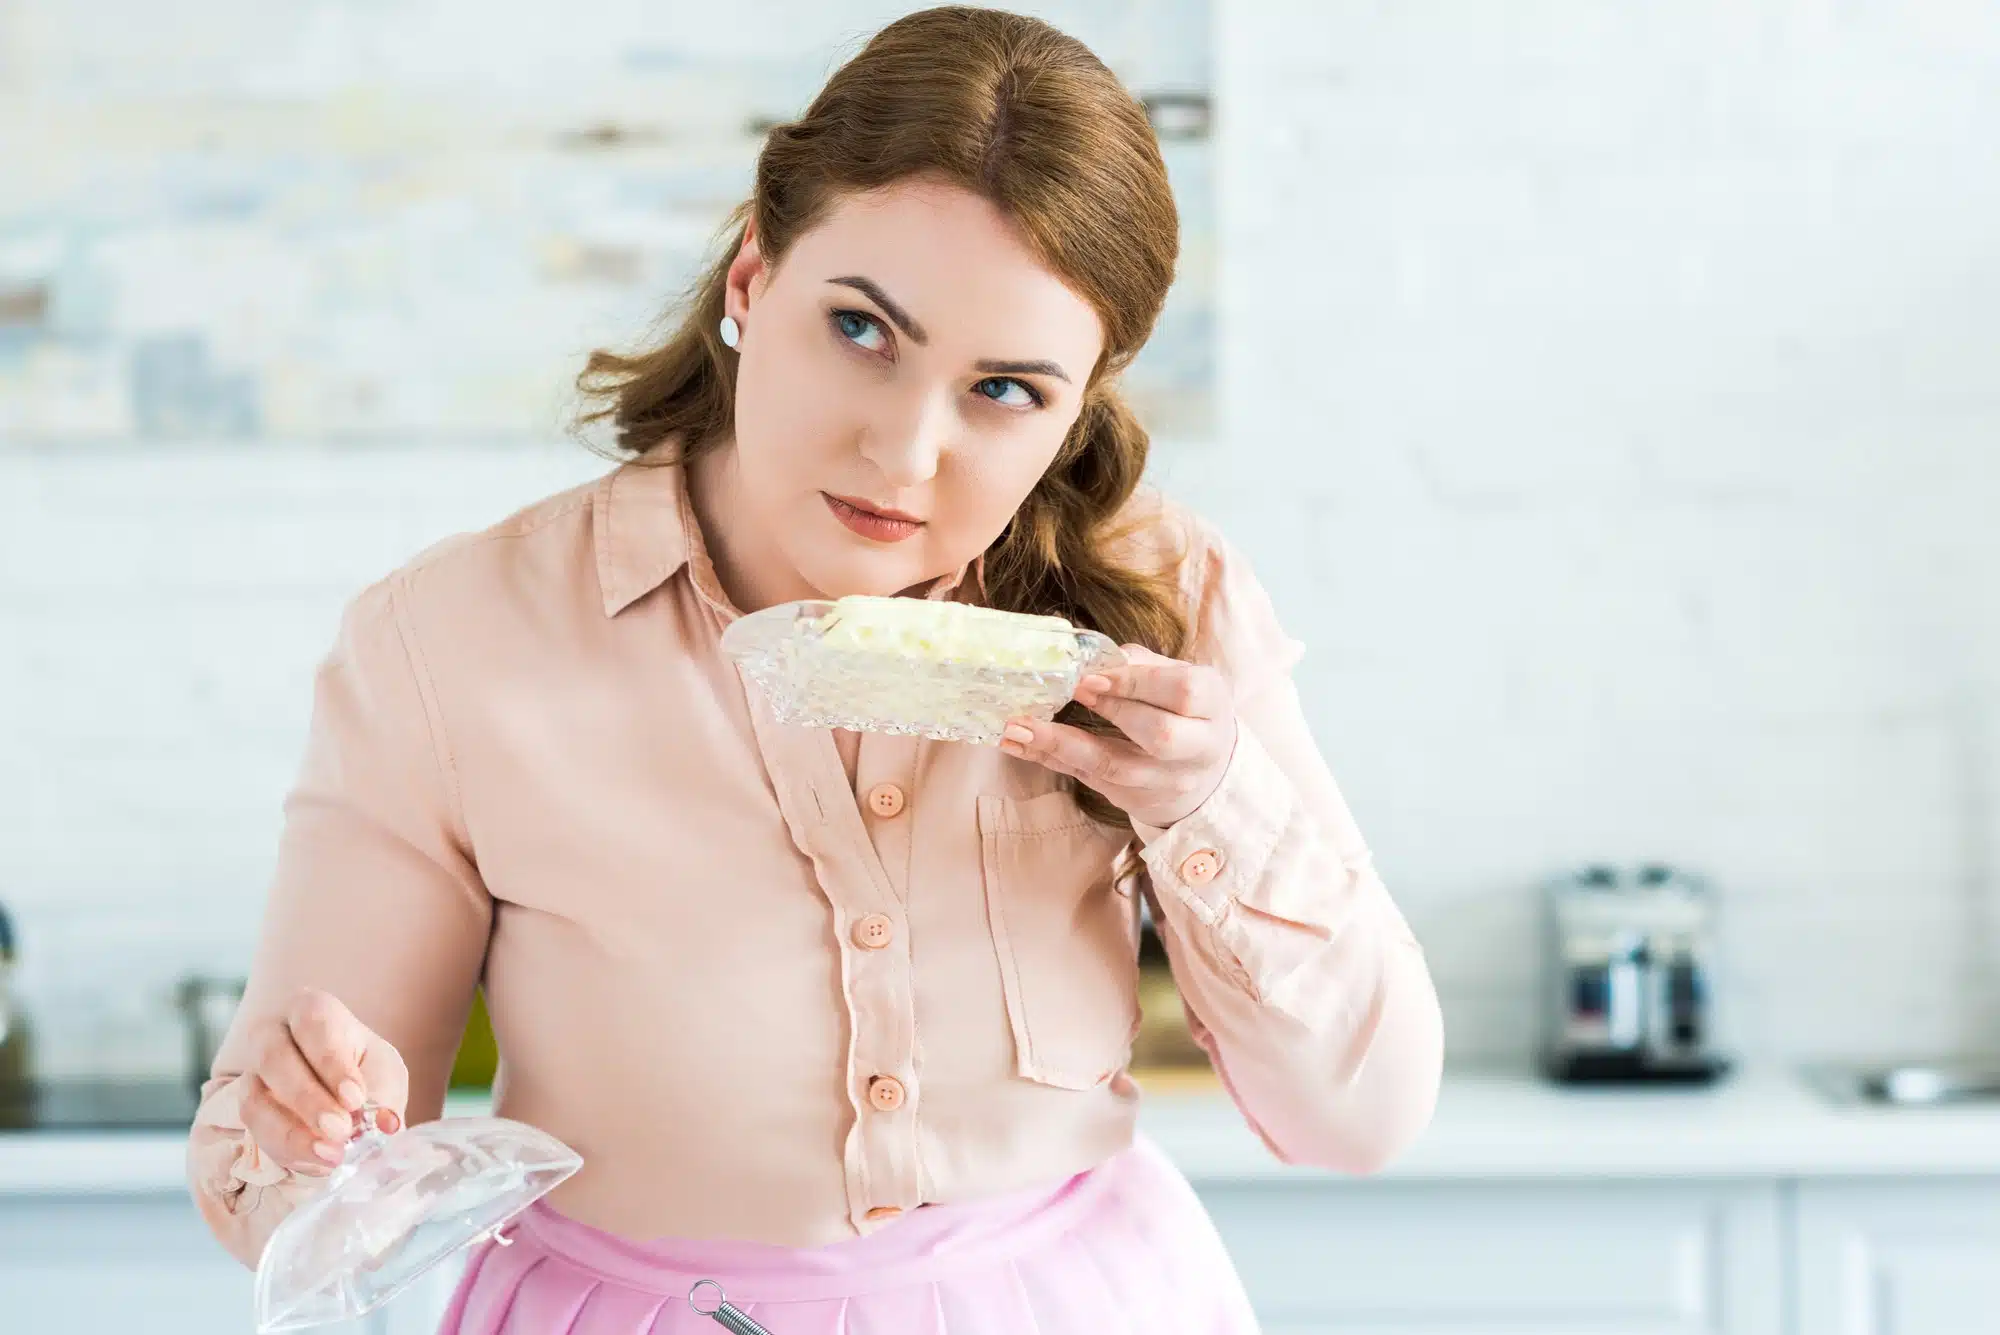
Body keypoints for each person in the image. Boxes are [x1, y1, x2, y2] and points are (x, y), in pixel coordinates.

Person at [187, 7, 1444, 1331]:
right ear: (751, 280)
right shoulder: (449, 640)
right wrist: (311, 1143)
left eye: (1005, 390)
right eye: (860, 328)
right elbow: (259, 1192)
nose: (903, 452)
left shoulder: (1161, 603)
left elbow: (1362, 1118)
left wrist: (1211, 805)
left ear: (1076, 406)